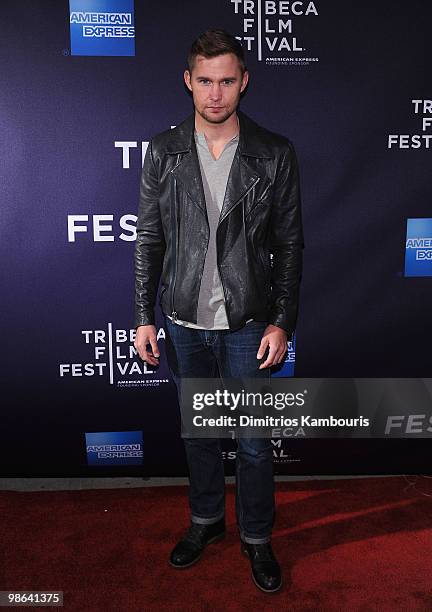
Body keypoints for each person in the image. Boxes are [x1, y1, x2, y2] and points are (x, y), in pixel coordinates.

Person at [134, 29, 304, 593]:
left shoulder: (274, 153)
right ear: (188, 80)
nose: (215, 93)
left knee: (254, 441)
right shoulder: (163, 151)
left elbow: (290, 243)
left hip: (249, 322)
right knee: (199, 435)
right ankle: (205, 523)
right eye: (204, 80)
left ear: (244, 81)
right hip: (183, 322)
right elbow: (150, 240)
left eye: (226, 80)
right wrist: (143, 315)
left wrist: (281, 320)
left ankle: (257, 536)